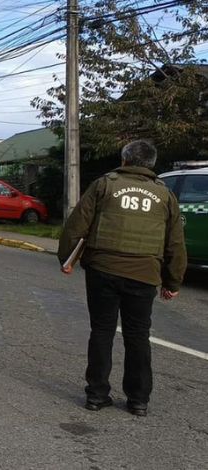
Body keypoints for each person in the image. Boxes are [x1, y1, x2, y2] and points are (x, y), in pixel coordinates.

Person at [58, 140, 187, 417]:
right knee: (138, 335)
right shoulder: (165, 195)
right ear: (151, 164)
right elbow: (175, 242)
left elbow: (77, 224)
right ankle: (138, 400)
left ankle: (96, 395)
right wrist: (172, 282)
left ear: (125, 160)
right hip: (144, 274)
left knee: (102, 331)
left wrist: (66, 259)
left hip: (103, 270)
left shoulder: (105, 184)